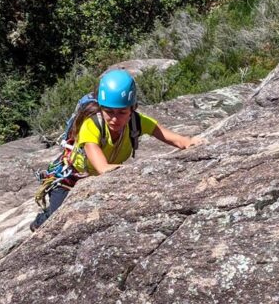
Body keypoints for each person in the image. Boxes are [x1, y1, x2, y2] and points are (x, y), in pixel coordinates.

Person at [31, 68, 201, 230]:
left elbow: (168, 136)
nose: (114, 118)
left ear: (132, 109)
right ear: (101, 108)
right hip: (70, 180)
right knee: (57, 221)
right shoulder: (91, 125)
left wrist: (187, 142)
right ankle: (42, 219)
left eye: (121, 112)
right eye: (109, 111)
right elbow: (102, 167)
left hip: (98, 180)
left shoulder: (136, 121)